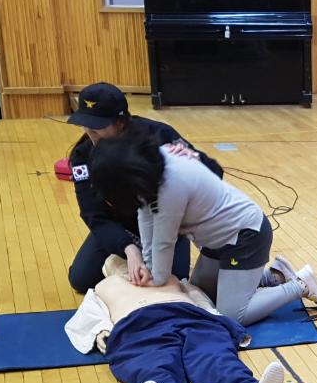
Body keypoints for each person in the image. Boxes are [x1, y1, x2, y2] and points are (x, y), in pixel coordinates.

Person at [88, 126, 317, 326]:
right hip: (218, 242)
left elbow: (164, 241)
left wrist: (155, 277)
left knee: (232, 315)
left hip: (245, 237)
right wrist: (148, 266)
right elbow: (145, 214)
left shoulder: (170, 187)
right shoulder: (147, 167)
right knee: (202, 292)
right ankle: (276, 275)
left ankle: (300, 284)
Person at [64, 254, 286, 383]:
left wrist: (214, 316)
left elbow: (197, 295)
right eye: (117, 263)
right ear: (108, 271)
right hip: (139, 327)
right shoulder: (103, 287)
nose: (124, 264)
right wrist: (101, 331)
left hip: (190, 317)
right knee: (154, 368)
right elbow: (89, 315)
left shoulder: (167, 276)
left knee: (215, 357)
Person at [65, 81, 223, 292]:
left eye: (97, 128)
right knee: (81, 279)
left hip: (165, 224)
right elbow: (92, 212)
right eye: (86, 126)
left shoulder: (160, 136)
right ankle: (125, 256)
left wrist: (178, 221)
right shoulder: (82, 156)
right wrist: (128, 249)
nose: (90, 135)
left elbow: (212, 173)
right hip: (121, 226)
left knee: (174, 282)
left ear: (120, 122)